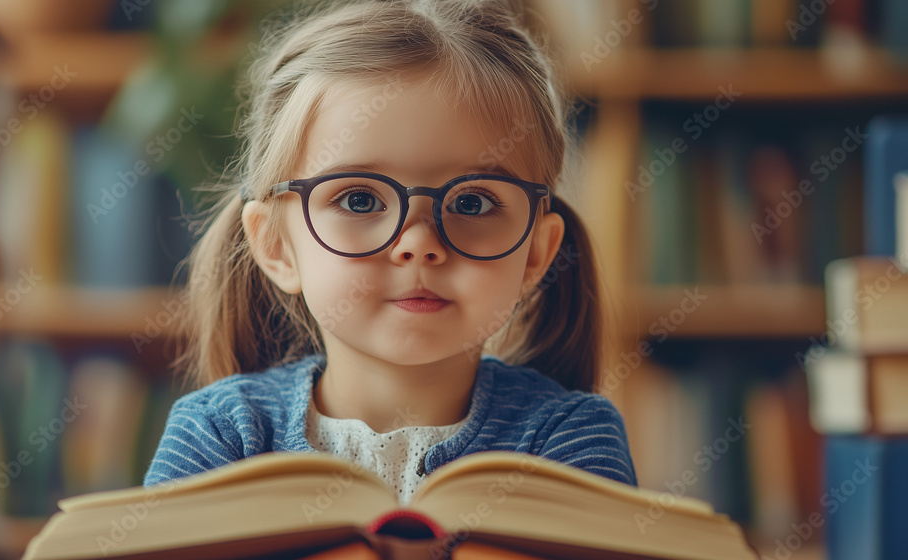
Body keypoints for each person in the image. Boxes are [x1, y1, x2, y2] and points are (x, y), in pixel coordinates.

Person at [144, 0, 636, 504]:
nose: (419, 244)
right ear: (276, 245)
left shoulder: (571, 439)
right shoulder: (220, 433)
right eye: (358, 200)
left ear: (536, 253)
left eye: (472, 201)